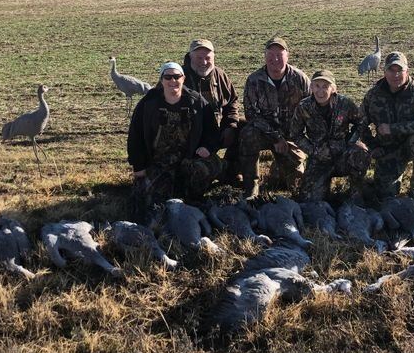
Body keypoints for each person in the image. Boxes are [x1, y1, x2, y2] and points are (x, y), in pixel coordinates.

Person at [127, 61, 222, 222]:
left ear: (183, 78)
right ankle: (172, 191)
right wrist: (139, 166)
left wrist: (207, 147)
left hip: (189, 159)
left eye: (177, 77)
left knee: (205, 169)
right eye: (168, 77)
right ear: (161, 80)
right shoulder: (148, 103)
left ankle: (193, 197)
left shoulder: (196, 102)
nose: (173, 81)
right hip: (158, 162)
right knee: (146, 198)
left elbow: (212, 131)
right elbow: (135, 136)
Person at [237, 36, 310, 199]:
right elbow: (251, 114)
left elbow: (310, 111)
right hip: (264, 133)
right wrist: (275, 137)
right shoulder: (254, 80)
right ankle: (251, 188)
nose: (275, 59)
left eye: (279, 54)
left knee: (296, 184)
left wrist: (298, 140)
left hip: (291, 135)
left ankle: (277, 172)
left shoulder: (300, 79)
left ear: (287, 56)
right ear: (265, 56)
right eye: (271, 54)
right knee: (247, 135)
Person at [360, 51, 414, 198]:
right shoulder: (374, 95)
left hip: (410, 145)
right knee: (385, 194)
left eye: (400, 70)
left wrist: (393, 129)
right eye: (391, 70)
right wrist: (373, 146)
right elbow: (360, 123)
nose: (395, 75)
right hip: (387, 150)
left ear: (407, 71)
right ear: (384, 72)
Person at [290, 70, 370, 201]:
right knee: (310, 201)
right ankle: (324, 191)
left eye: (325, 86)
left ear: (333, 89)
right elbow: (295, 134)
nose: (320, 91)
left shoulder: (345, 104)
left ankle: (356, 193)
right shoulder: (304, 106)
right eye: (317, 86)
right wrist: (313, 150)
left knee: (361, 153)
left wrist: (350, 141)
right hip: (319, 159)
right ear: (311, 87)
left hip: (343, 155)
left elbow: (361, 122)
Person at [181, 38, 242, 181]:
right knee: (197, 174)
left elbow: (232, 101)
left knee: (244, 128)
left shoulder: (219, 75)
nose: (203, 62)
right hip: (192, 136)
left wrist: (231, 125)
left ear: (214, 57)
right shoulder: (178, 77)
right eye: (199, 58)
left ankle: (232, 168)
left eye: (208, 58)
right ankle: (216, 170)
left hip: (217, 131)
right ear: (190, 57)